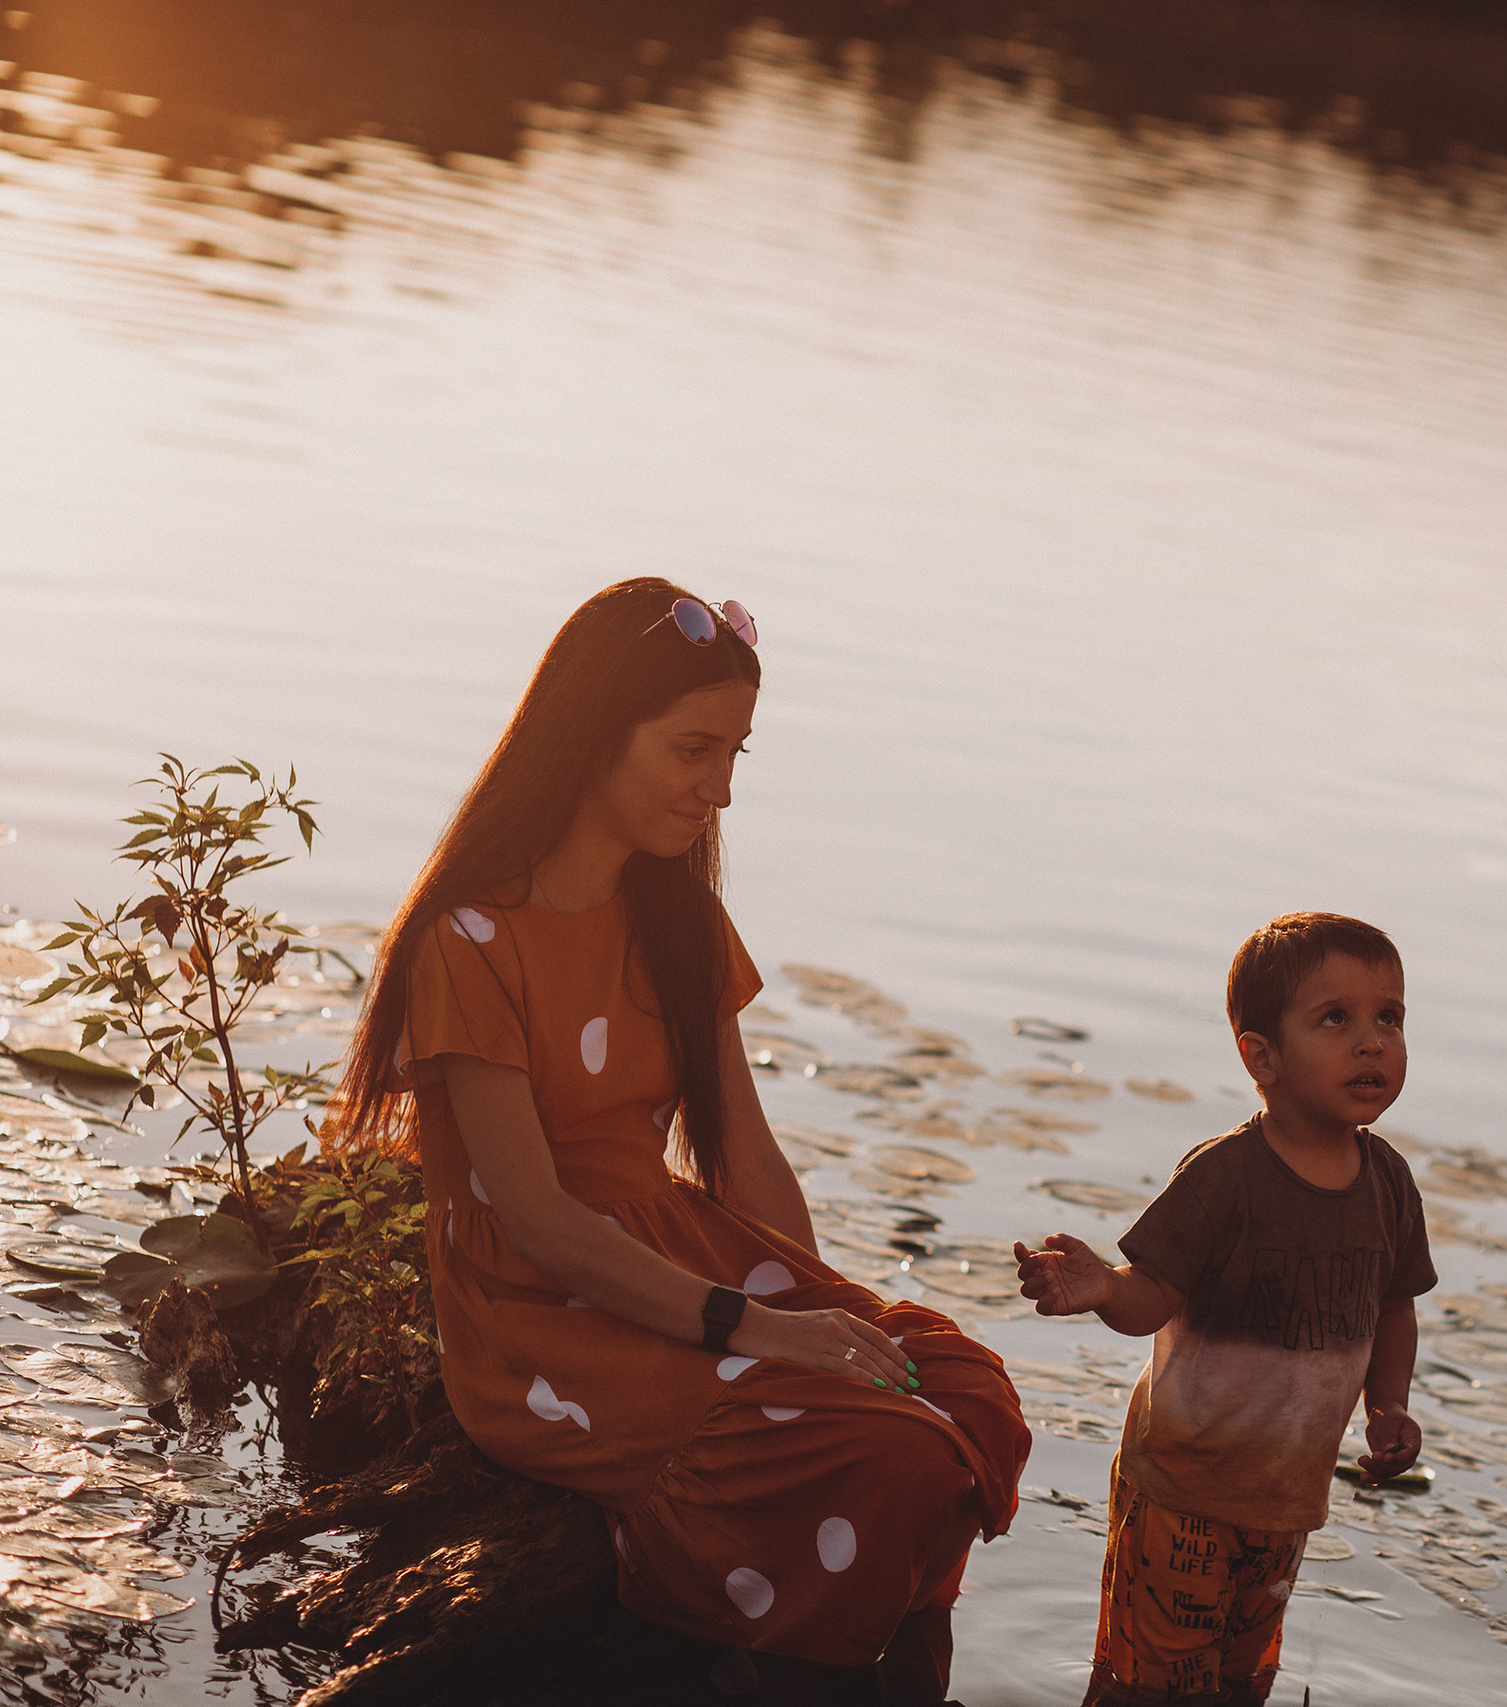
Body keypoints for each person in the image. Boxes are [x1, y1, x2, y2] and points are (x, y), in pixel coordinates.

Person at [330, 578, 1030, 1705]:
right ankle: (770, 1658)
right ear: (594, 735)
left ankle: (870, 1671)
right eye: (694, 751)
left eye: (737, 756)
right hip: (542, 1313)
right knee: (888, 1451)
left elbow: (741, 1155)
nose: (721, 791)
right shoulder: (469, 940)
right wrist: (756, 1329)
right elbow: (537, 1220)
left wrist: (825, 1315)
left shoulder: (679, 920)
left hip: (677, 1254)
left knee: (958, 1385)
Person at [1011, 912, 1435, 1707]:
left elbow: (1393, 1308)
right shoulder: (1225, 1179)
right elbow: (1151, 1297)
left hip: (1283, 1501)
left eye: (1390, 1016)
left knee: (1239, 1682)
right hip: (1179, 1490)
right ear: (1261, 1055)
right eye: (1335, 1018)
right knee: (1149, 1686)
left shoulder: (1388, 1186)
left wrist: (1388, 1403)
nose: (1372, 1041)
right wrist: (1103, 1285)